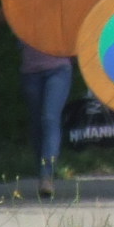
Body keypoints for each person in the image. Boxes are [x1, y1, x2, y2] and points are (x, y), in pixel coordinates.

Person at [18, 39, 73, 199]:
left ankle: (46, 176)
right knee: (37, 124)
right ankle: (42, 171)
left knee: (50, 118)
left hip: (59, 69)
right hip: (30, 71)